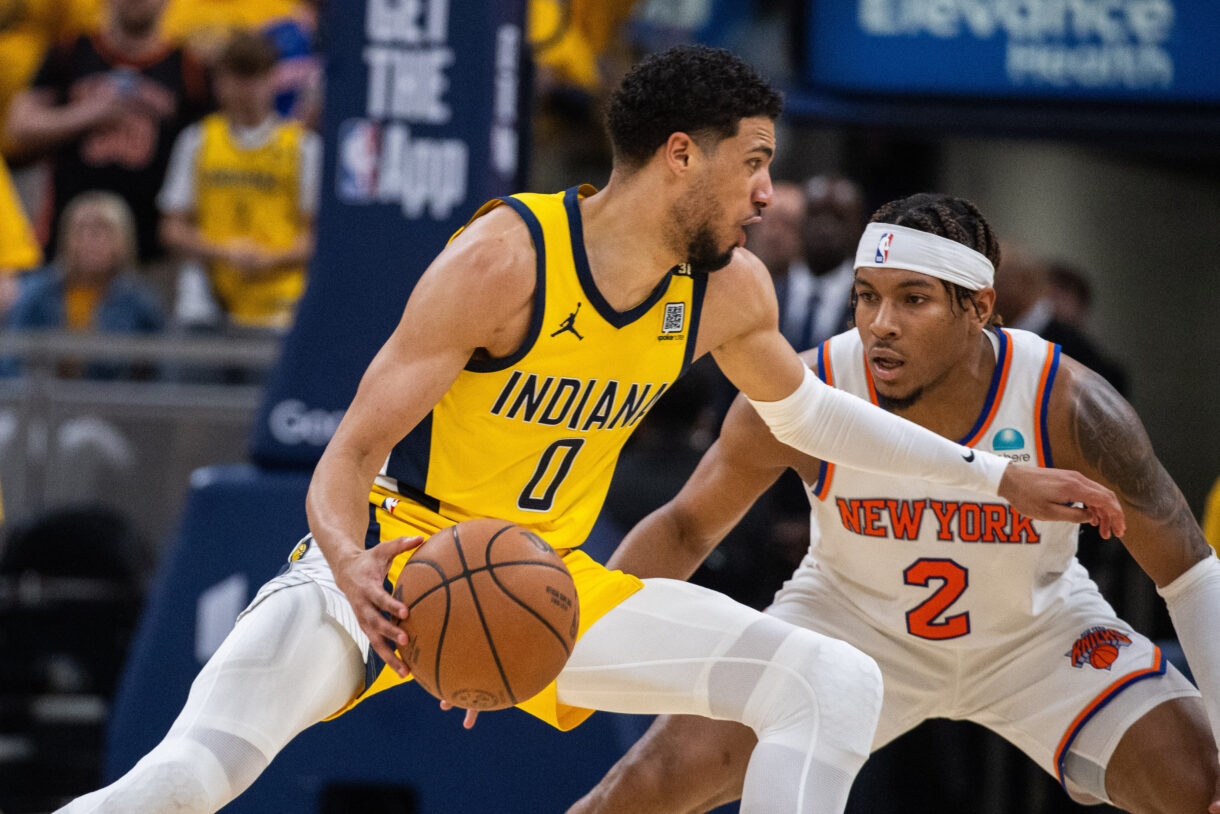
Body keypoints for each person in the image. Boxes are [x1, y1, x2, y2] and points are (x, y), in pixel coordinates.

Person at [56, 47, 1123, 814]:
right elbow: (343, 460)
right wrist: (357, 569)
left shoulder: (724, 289)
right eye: (751, 162)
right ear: (678, 157)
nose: (766, 192)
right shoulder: (502, 260)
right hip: (394, 559)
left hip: (554, 586)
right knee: (186, 777)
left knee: (829, 679)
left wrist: (993, 479)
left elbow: (808, 416)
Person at [566, 193, 1220, 814]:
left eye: (914, 300)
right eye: (867, 298)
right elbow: (686, 527)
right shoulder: (806, 390)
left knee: (1201, 787)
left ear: (981, 307)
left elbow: (1189, 573)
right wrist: (570, 644)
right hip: (847, 626)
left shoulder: (1067, 403)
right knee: (639, 789)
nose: (882, 325)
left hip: (1039, 635)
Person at [5, 0, 212, 265]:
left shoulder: (189, 66)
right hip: (67, 244)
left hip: (154, 253)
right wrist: (90, 113)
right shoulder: (71, 51)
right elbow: (19, 125)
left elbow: (209, 145)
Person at [158, 29, 319, 333]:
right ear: (219, 81)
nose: (245, 89)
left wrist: (270, 258)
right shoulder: (198, 140)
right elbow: (172, 228)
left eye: (254, 76)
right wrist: (224, 251)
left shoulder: (302, 147)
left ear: (272, 79)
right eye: (236, 77)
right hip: (206, 301)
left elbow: (317, 236)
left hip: (280, 306)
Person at [2, 190, 164, 378]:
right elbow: (10, 362)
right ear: (65, 237)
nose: (90, 240)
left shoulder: (140, 301)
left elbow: (159, 373)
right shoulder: (36, 293)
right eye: (80, 229)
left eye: (101, 230)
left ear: (123, 238)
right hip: (43, 402)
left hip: (114, 402)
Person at [777, 174, 863, 350]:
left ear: (858, 228)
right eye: (815, 214)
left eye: (838, 217)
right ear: (799, 221)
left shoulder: (866, 306)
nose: (824, 228)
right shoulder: (767, 291)